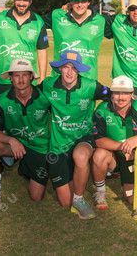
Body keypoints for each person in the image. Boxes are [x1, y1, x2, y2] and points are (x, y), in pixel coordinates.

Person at [39, 50, 109, 219]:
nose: (70, 72)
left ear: (79, 70)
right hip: (58, 145)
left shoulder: (91, 86)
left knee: (80, 156)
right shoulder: (47, 85)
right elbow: (27, 94)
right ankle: (77, 178)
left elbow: (115, 96)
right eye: (66, 67)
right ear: (59, 68)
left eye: (74, 68)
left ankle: (79, 200)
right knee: (65, 202)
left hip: (83, 138)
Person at [0, 59, 51, 218]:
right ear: (10, 78)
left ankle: (24, 166)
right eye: (16, 75)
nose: (21, 79)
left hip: (40, 147)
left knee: (36, 196)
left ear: (31, 77)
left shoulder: (44, 96)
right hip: (16, 145)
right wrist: (11, 140)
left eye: (25, 75)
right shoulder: (2, 100)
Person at [0, 0, 49, 108]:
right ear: (14, 0)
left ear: (30, 1)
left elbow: (42, 50)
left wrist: (42, 76)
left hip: (27, 78)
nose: (21, 3)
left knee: (25, 115)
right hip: (2, 78)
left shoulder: (38, 22)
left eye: (25, 0)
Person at [42, 0, 111, 80]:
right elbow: (34, 24)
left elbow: (123, 30)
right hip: (60, 79)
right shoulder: (57, 16)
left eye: (83, 1)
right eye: (76, 1)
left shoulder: (100, 21)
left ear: (89, 2)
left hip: (88, 80)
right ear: (70, 1)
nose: (80, 4)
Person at [91, 75, 137, 209]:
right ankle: (100, 191)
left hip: (134, 156)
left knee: (131, 199)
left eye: (125, 93)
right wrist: (124, 147)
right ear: (111, 93)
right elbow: (99, 140)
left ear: (132, 94)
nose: (120, 97)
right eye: (116, 93)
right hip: (114, 155)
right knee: (99, 154)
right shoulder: (102, 110)